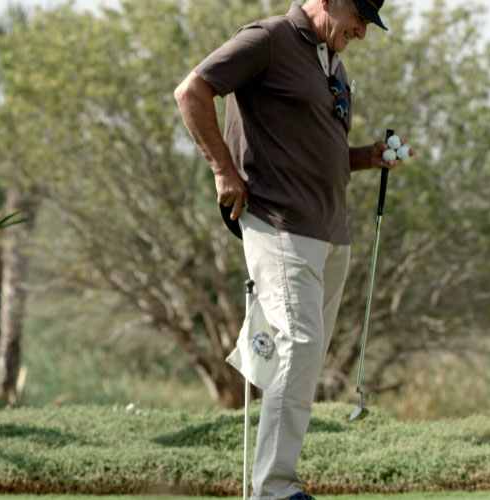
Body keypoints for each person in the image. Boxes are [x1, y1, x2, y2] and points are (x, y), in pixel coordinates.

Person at [174, 1, 412, 499]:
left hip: (329, 233)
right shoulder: (267, 39)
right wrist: (223, 170)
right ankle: (275, 489)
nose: (363, 32)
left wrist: (364, 158)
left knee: (300, 357)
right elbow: (192, 90)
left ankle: (274, 483)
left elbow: (311, 150)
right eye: (360, 17)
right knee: (298, 345)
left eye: (369, 23)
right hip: (278, 223)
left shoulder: (332, 63)